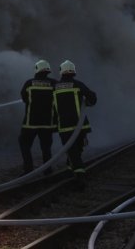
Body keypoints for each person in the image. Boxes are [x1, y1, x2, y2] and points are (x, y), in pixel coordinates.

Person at [53, 60, 97, 190]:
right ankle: (75, 170)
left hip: (64, 126)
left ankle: (79, 174)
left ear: (61, 71)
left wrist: (54, 124)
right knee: (77, 149)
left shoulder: (55, 87)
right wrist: (88, 102)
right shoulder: (78, 85)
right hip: (80, 126)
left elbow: (52, 107)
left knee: (71, 150)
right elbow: (92, 97)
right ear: (73, 71)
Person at [18, 59, 58, 175]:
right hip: (47, 123)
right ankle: (47, 170)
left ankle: (28, 169)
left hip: (30, 123)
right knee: (46, 148)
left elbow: (24, 99)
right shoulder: (54, 83)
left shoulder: (29, 83)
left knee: (24, 144)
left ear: (36, 70)